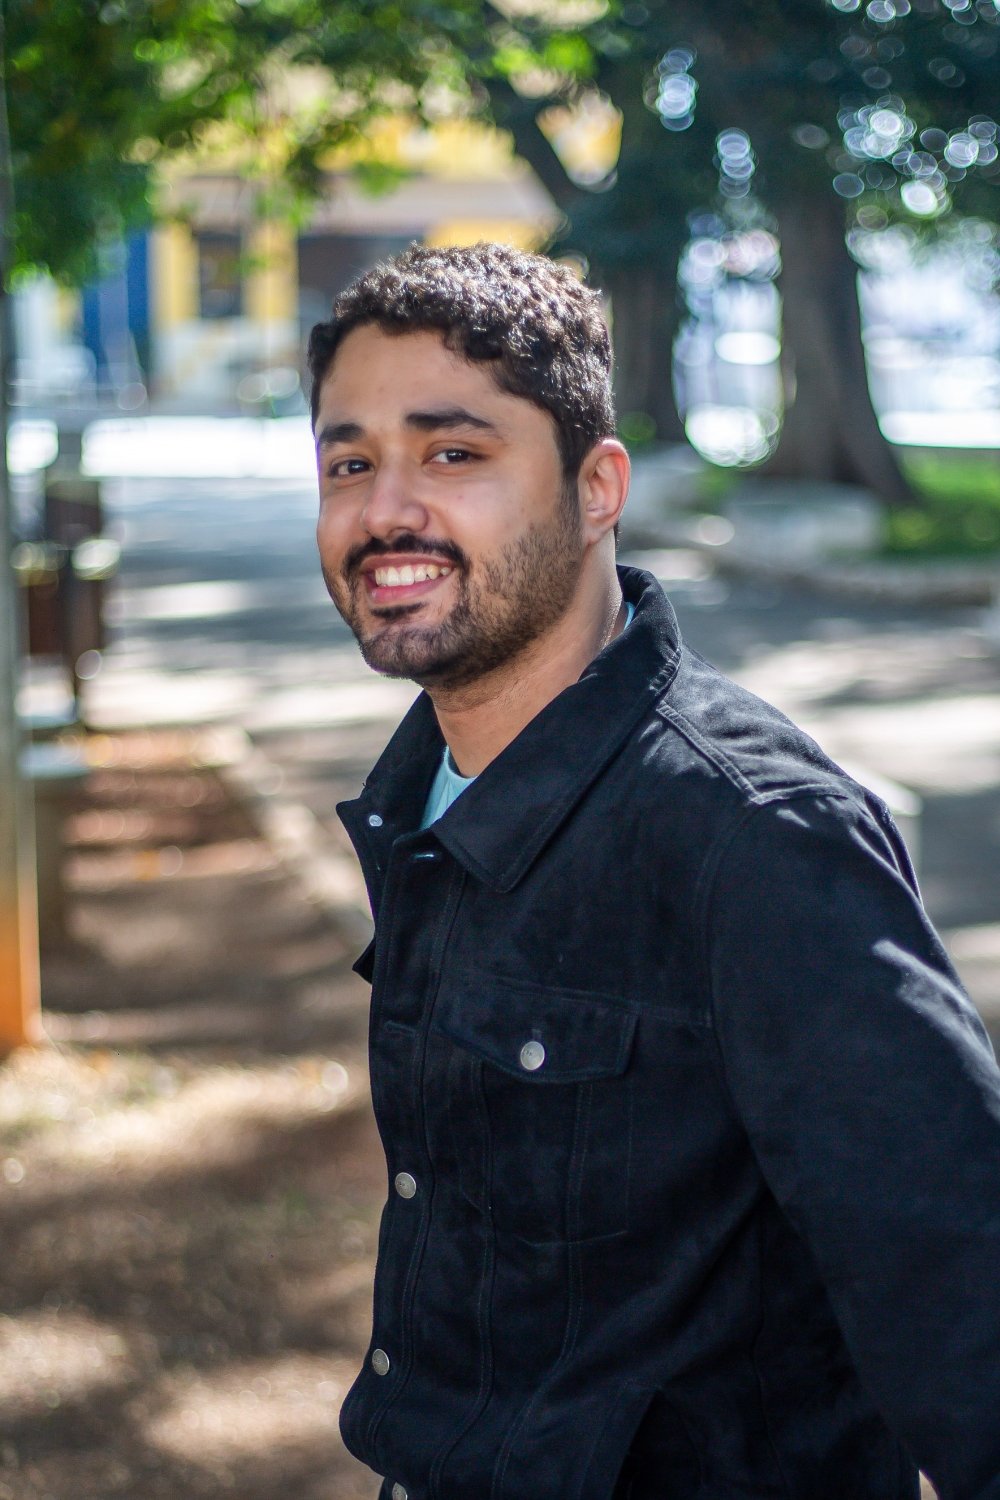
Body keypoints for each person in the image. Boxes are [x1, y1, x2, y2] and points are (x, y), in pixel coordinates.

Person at [308, 241, 1000, 1500]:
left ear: (595, 487)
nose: (385, 509)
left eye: (453, 453)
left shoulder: (753, 835)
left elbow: (964, 1299)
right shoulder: (426, 792)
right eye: (349, 461)